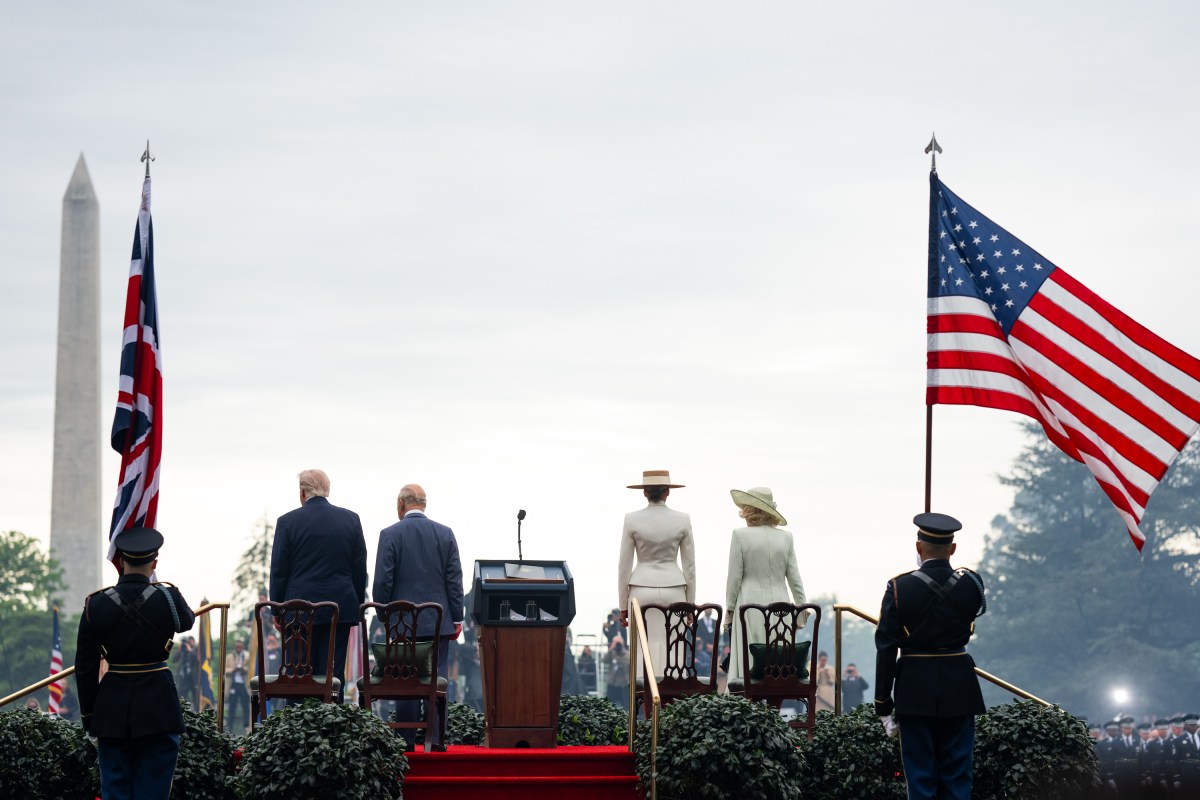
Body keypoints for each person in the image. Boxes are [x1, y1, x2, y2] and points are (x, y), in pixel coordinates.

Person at [75, 526, 196, 800]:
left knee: (115, 792)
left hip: (111, 710)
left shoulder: (96, 604)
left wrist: (90, 717)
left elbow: (85, 666)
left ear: (120, 562)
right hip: (159, 708)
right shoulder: (168, 596)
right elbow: (187, 620)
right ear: (154, 563)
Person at [874, 512, 986, 800]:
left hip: (915, 688)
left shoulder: (899, 588)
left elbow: (886, 648)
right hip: (960, 686)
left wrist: (883, 704)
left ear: (918, 548)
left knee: (920, 778)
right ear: (953, 549)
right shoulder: (971, 585)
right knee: (958, 777)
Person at [372, 483, 464, 751]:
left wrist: (383, 616)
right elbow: (453, 580)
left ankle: (407, 740)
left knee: (404, 679)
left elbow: (382, 582)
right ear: (423, 504)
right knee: (437, 678)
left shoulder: (390, 534)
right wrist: (456, 617)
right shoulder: (445, 534)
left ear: (401, 503)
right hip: (439, 622)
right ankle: (436, 739)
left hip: (401, 623)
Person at [270, 468, 368, 692]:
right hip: (339, 610)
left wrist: (276, 610)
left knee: (297, 674)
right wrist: (357, 604)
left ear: (302, 493)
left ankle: (296, 721)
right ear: (328, 490)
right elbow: (359, 569)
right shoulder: (351, 520)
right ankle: (332, 720)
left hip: (297, 612)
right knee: (333, 675)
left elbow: (279, 570)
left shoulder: (287, 522)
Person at [723, 486, 807, 685]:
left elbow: (734, 579)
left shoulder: (740, 535)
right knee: (778, 668)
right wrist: (801, 610)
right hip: (782, 610)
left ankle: (749, 709)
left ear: (750, 510)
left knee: (750, 665)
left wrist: (729, 611)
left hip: (749, 606)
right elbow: (795, 579)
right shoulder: (786, 538)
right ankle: (774, 709)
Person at [617, 470, 696, 676]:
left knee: (642, 649)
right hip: (675, 588)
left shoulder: (631, 519)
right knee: (675, 648)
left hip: (641, 589)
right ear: (667, 492)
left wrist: (622, 605)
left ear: (644, 493)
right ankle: (672, 701)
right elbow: (690, 568)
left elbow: (624, 566)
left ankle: (645, 701)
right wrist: (690, 605)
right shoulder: (683, 519)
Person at [224, 639, 250, 733]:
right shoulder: (229, 656)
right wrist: (233, 669)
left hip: (244, 684)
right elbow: (225, 670)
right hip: (233, 684)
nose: (238, 648)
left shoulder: (247, 655)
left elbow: (251, 668)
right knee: (232, 706)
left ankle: (246, 725)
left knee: (245, 706)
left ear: (242, 646)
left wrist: (243, 668)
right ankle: (230, 726)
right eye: (237, 646)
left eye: (240, 646)